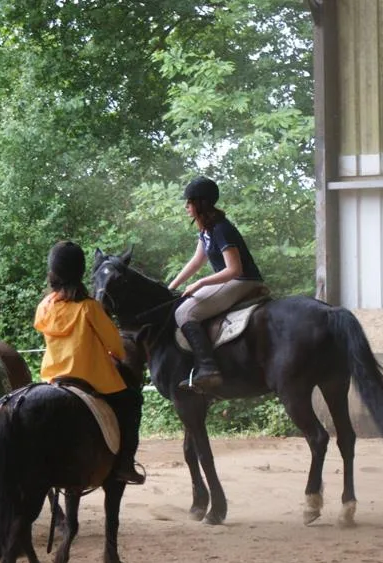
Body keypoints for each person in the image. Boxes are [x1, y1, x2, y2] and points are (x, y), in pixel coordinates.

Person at [34, 241, 145, 485]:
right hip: (92, 379)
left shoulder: (44, 307)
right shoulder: (89, 308)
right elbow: (116, 346)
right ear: (80, 271)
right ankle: (125, 463)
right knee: (132, 401)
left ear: (52, 272)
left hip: (52, 379)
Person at [167, 176, 266, 392]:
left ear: (200, 204)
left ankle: (208, 368)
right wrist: (170, 287)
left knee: (185, 314)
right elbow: (196, 262)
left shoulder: (221, 229)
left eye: (189, 202)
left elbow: (234, 269)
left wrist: (200, 284)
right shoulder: (206, 230)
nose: (186, 207)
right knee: (182, 303)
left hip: (243, 281)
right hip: (232, 280)